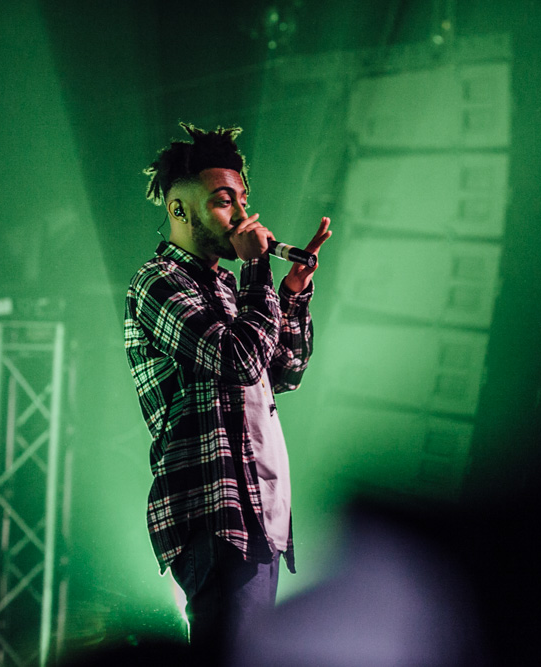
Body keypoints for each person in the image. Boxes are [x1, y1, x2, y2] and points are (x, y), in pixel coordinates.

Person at [123, 122, 331, 661]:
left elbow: (283, 370)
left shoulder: (228, 288)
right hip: (214, 514)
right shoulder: (158, 283)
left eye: (242, 199)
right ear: (179, 209)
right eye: (223, 201)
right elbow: (237, 360)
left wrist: (291, 293)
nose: (242, 215)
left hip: (261, 512)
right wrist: (259, 268)